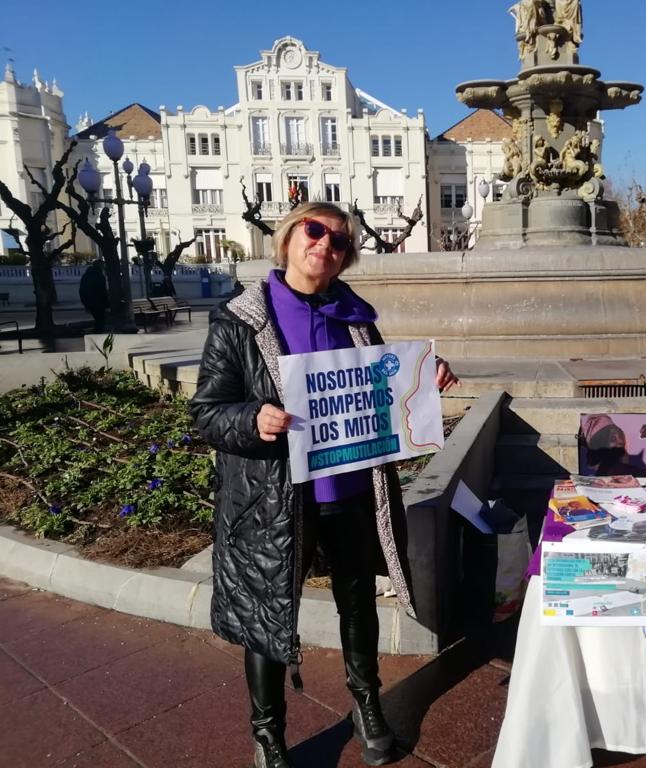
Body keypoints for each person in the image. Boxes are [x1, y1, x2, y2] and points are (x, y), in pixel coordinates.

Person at [189, 202, 458, 768]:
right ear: (288, 238)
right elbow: (208, 413)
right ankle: (268, 735)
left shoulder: (356, 317)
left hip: (352, 489)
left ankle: (366, 705)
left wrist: (425, 382)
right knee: (265, 612)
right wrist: (252, 420)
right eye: (315, 231)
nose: (325, 246)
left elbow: (382, 392)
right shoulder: (238, 321)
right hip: (272, 496)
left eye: (339, 242)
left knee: (357, 601)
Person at [78, 260, 108, 332]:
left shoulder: (86, 276)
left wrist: (84, 301)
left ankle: (97, 333)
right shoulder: (99, 276)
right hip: (98, 302)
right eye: (103, 265)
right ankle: (98, 335)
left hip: (89, 301)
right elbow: (102, 291)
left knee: (98, 319)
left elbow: (82, 290)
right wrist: (106, 302)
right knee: (100, 320)